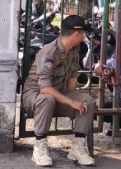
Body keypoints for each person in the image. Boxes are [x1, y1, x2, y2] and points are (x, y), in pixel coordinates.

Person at [22, 15, 96, 167]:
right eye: (83, 33)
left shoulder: (74, 51)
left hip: (57, 94)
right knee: (47, 99)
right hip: (35, 96)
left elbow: (72, 82)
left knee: (87, 100)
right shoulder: (49, 52)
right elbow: (45, 88)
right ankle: (39, 146)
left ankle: (78, 146)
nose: (84, 37)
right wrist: (71, 102)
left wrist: (73, 103)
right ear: (77, 33)